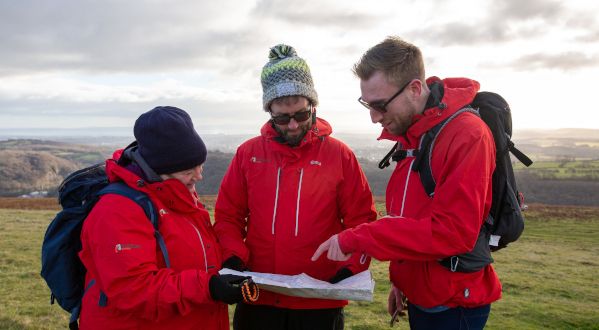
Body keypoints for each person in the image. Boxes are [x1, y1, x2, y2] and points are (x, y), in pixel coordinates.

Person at [312, 36, 501, 329]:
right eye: (367, 105)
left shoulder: (466, 135)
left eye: (381, 105)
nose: (374, 118)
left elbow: (452, 233)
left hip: (454, 304)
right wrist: (401, 280)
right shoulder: (414, 133)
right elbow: (410, 216)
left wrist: (358, 237)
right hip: (423, 294)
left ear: (414, 88)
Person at [213, 44, 378, 330]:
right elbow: (228, 215)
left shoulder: (339, 155)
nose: (292, 125)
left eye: (301, 115)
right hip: (258, 297)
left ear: (313, 105)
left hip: (319, 299)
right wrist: (233, 255)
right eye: (281, 118)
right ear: (269, 112)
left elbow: (361, 219)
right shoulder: (247, 154)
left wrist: (352, 268)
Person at [78, 106, 251, 330]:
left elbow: (196, 247)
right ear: (158, 169)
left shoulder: (177, 192)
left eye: (200, 165)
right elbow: (132, 289)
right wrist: (208, 287)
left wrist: (229, 259)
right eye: (188, 171)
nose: (199, 176)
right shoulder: (117, 210)